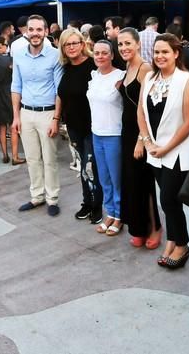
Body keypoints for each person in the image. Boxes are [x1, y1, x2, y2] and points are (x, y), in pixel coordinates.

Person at [137, 33, 189, 268]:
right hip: (155, 152)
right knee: (169, 201)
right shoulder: (150, 78)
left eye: (165, 51)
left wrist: (166, 147)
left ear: (176, 53)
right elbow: (141, 112)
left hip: (177, 152)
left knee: (169, 200)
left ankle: (182, 244)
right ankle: (173, 239)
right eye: (156, 52)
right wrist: (147, 142)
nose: (160, 56)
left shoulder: (187, 81)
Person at [11, 14, 63, 217]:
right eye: (31, 30)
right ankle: (37, 196)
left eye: (39, 30)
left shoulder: (55, 55)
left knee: (49, 159)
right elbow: (16, 86)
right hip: (26, 113)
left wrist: (56, 118)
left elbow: (60, 90)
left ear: (46, 32)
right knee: (32, 158)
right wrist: (16, 116)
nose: (35, 34)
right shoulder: (19, 56)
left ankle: (52, 198)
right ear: (26, 32)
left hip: (47, 113)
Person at [117, 27, 161, 248]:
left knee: (145, 182)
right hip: (126, 132)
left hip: (140, 134)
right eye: (120, 44)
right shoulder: (127, 66)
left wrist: (141, 140)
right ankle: (138, 228)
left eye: (127, 43)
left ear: (137, 44)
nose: (123, 48)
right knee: (132, 182)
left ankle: (155, 228)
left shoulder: (146, 69)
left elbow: (146, 107)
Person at [56, 29, 102, 222]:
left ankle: (97, 206)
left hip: (92, 127)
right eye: (68, 44)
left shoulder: (93, 66)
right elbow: (61, 95)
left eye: (75, 43)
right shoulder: (65, 68)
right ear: (63, 48)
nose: (72, 47)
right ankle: (87, 202)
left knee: (91, 167)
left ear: (83, 44)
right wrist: (57, 119)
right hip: (73, 127)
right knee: (82, 168)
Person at [86, 40, 125, 235]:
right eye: (97, 53)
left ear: (111, 55)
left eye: (104, 53)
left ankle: (119, 216)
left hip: (114, 134)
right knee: (104, 178)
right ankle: (110, 212)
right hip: (96, 133)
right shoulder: (93, 76)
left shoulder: (120, 76)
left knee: (116, 178)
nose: (100, 56)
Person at [0, 36, 24, 165]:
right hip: (11, 93)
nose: (7, 47)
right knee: (13, 126)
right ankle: (15, 156)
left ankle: (5, 155)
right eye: (6, 45)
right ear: (0, 46)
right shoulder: (10, 60)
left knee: (1, 126)